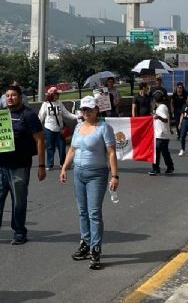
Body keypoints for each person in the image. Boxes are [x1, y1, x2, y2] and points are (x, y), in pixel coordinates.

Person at [60, 95, 119, 271]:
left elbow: (111, 153)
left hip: (97, 174)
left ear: (96, 110)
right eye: (83, 110)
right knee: (82, 211)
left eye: (89, 109)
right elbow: (72, 149)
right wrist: (64, 168)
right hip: (79, 172)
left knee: (94, 212)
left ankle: (95, 249)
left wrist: (115, 176)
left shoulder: (104, 128)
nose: (86, 112)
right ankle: (85, 243)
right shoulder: (78, 127)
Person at [0, 85, 46, 245]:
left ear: (20, 97)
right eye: (7, 95)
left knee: (19, 201)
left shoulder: (28, 115)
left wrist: (41, 165)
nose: (9, 98)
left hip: (19, 166)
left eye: (13, 95)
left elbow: (39, 140)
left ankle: (19, 232)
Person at [38, 87, 78, 171]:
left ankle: (63, 163)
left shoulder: (59, 103)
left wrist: (77, 117)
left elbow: (66, 114)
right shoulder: (45, 104)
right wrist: (35, 126)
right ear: (51, 95)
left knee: (62, 147)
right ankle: (50, 164)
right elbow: (40, 117)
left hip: (60, 129)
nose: (58, 95)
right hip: (49, 129)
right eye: (56, 94)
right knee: (50, 147)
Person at [148, 91, 174, 175]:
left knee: (156, 152)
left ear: (155, 100)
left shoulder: (162, 107)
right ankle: (170, 167)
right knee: (164, 152)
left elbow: (165, 119)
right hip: (162, 133)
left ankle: (156, 169)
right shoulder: (162, 107)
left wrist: (158, 117)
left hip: (161, 134)